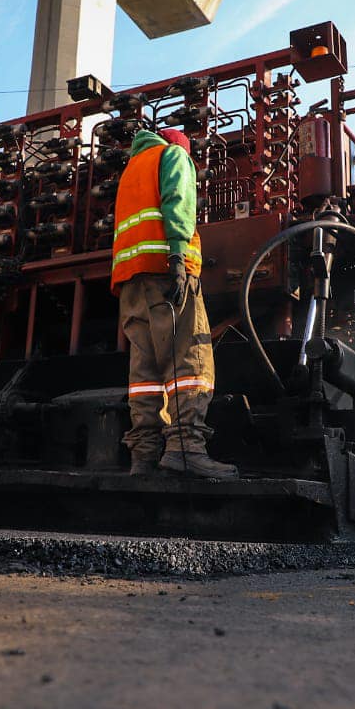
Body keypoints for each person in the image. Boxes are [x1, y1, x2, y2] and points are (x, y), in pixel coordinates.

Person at [110, 127, 237, 480]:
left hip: (130, 280)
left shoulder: (132, 169)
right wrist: (178, 257)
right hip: (167, 271)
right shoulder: (173, 156)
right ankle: (186, 448)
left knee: (145, 370)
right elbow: (177, 203)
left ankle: (144, 455)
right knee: (189, 357)